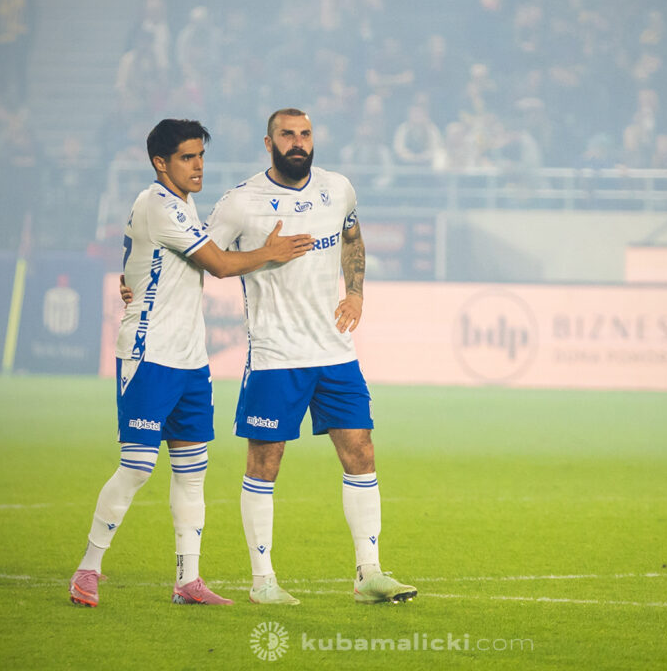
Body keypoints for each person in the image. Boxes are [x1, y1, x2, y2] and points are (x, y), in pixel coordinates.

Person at [68, 118, 314, 608]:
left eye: (201, 155)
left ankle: (189, 579)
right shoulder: (157, 204)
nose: (198, 165)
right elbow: (218, 265)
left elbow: (142, 262)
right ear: (160, 162)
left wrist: (129, 279)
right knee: (138, 466)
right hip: (149, 353)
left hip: (189, 359)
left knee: (191, 470)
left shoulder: (182, 204)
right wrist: (269, 253)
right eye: (187, 157)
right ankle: (87, 568)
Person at [204, 108, 417, 605]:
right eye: (287, 135)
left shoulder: (337, 188)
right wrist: (265, 254)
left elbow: (352, 237)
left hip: (335, 351)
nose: (298, 142)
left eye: (305, 134)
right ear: (269, 142)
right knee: (265, 461)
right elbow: (208, 261)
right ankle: (263, 581)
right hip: (275, 354)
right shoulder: (240, 202)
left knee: (361, 452)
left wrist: (355, 293)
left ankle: (369, 573)